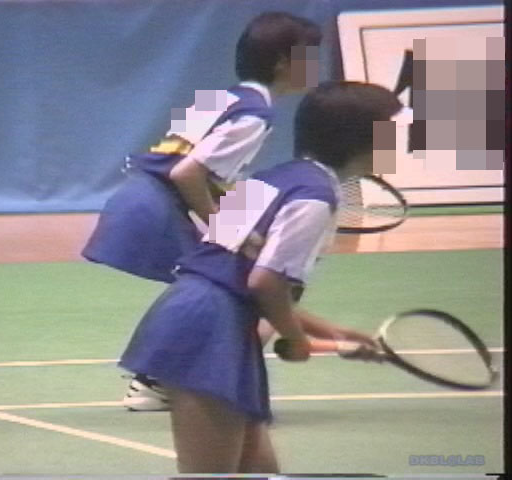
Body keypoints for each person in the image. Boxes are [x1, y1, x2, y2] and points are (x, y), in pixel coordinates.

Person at [119, 81, 404, 473]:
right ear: (359, 140)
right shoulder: (315, 199)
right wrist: (297, 339)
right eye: (389, 133)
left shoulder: (268, 179)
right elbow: (265, 284)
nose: (397, 143)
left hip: (199, 314)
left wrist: (335, 333)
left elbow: (234, 277)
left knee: (259, 470)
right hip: (207, 331)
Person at [82, 11, 322, 410]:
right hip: (155, 207)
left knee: (210, 281)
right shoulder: (255, 116)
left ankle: (162, 380)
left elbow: (192, 170)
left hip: (137, 197)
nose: (317, 65)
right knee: (235, 280)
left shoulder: (222, 97)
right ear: (283, 61)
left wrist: (238, 223)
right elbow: (186, 173)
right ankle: (161, 382)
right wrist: (228, 230)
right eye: (311, 55)